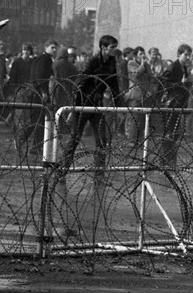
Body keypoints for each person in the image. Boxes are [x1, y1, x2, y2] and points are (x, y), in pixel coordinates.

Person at [55, 35, 123, 237]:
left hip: (97, 106)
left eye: (114, 48)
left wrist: (119, 103)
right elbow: (81, 82)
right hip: (83, 103)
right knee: (75, 137)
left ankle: (99, 174)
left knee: (102, 140)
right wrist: (75, 107)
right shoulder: (92, 62)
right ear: (102, 47)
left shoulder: (111, 62)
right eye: (111, 47)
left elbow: (113, 83)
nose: (113, 51)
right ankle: (62, 169)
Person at [16, 40, 57, 155]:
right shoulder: (45, 59)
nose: (55, 50)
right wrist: (44, 92)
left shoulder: (43, 59)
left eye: (55, 48)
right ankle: (21, 140)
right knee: (36, 120)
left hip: (37, 92)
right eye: (52, 47)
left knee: (40, 121)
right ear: (46, 47)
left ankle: (36, 146)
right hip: (37, 93)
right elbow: (39, 76)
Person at [52, 47, 79, 135]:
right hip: (68, 89)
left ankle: (58, 129)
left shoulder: (55, 64)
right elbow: (76, 78)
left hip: (57, 89)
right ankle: (65, 128)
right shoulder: (71, 66)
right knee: (67, 109)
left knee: (57, 109)